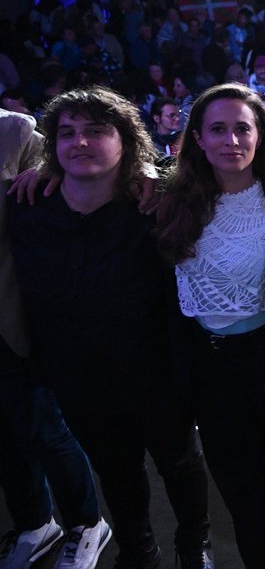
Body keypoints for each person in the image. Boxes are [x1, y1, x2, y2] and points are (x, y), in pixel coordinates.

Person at [9, 88, 211, 569]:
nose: (80, 142)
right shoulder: (26, 206)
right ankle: (139, 552)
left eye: (96, 131)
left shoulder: (156, 205)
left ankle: (194, 548)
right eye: (67, 133)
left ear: (127, 141)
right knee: (115, 472)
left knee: (180, 465)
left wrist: (154, 175)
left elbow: (211, 180)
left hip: (158, 375)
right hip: (78, 378)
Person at [155, 84, 265, 569]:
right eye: (218, 129)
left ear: (261, 137)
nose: (231, 140)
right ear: (197, 137)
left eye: (242, 128)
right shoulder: (169, 197)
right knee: (242, 489)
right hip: (209, 368)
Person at [0, 109, 110, 569]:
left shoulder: (13, 130)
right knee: (4, 435)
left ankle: (87, 523)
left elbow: (81, 173)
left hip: (15, 313)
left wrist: (48, 171)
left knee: (42, 426)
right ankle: (34, 524)